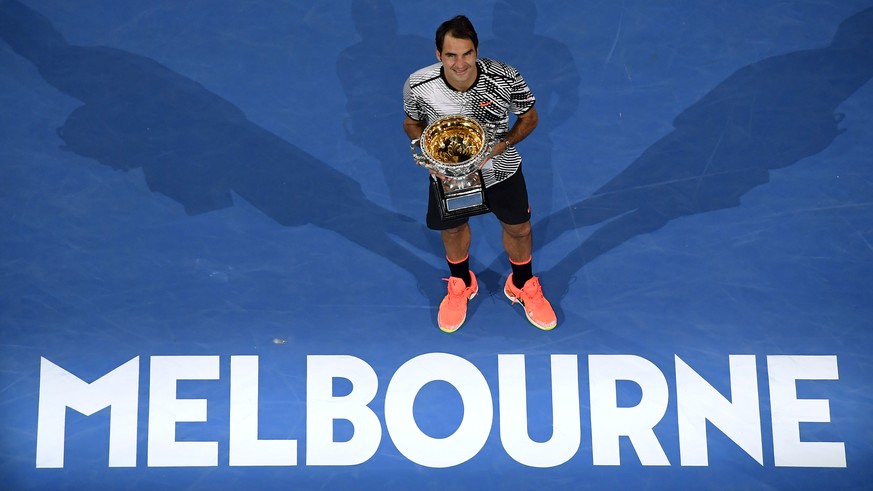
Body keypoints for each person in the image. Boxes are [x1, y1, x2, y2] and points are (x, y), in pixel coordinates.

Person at [402, 15, 557, 333]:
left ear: (476, 50)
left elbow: (529, 117)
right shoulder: (419, 85)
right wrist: (427, 154)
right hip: (450, 176)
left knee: (519, 230)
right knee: (455, 231)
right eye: (451, 55)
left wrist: (506, 143)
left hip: (501, 169)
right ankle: (460, 282)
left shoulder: (504, 77)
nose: (460, 63)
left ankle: (522, 284)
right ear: (438, 54)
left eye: (467, 53)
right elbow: (411, 123)